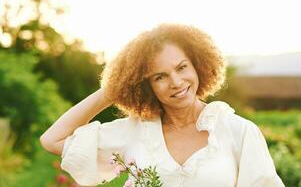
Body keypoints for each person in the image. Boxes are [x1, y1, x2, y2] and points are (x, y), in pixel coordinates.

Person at [40, 23, 285, 187]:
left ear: (198, 65)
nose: (176, 82)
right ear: (146, 85)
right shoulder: (135, 131)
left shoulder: (238, 131)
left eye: (181, 67)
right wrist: (114, 88)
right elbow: (52, 140)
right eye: (160, 76)